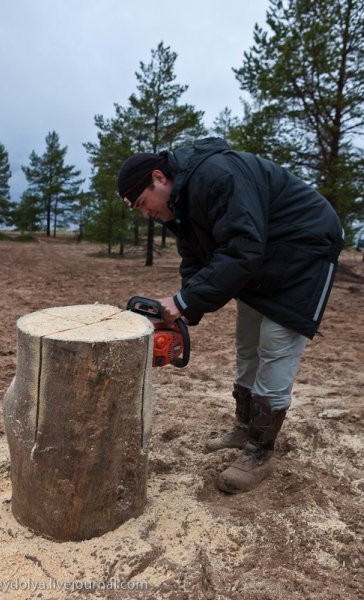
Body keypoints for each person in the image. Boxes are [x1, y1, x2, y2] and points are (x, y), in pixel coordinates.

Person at [117, 137, 344, 494]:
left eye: (144, 204)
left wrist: (183, 301)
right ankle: (244, 427)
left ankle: (259, 451)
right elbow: (196, 260)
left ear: (159, 178)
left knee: (275, 346)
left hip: (306, 249)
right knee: (247, 343)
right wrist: (183, 309)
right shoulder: (182, 203)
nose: (147, 214)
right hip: (262, 256)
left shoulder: (217, 175)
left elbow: (242, 248)